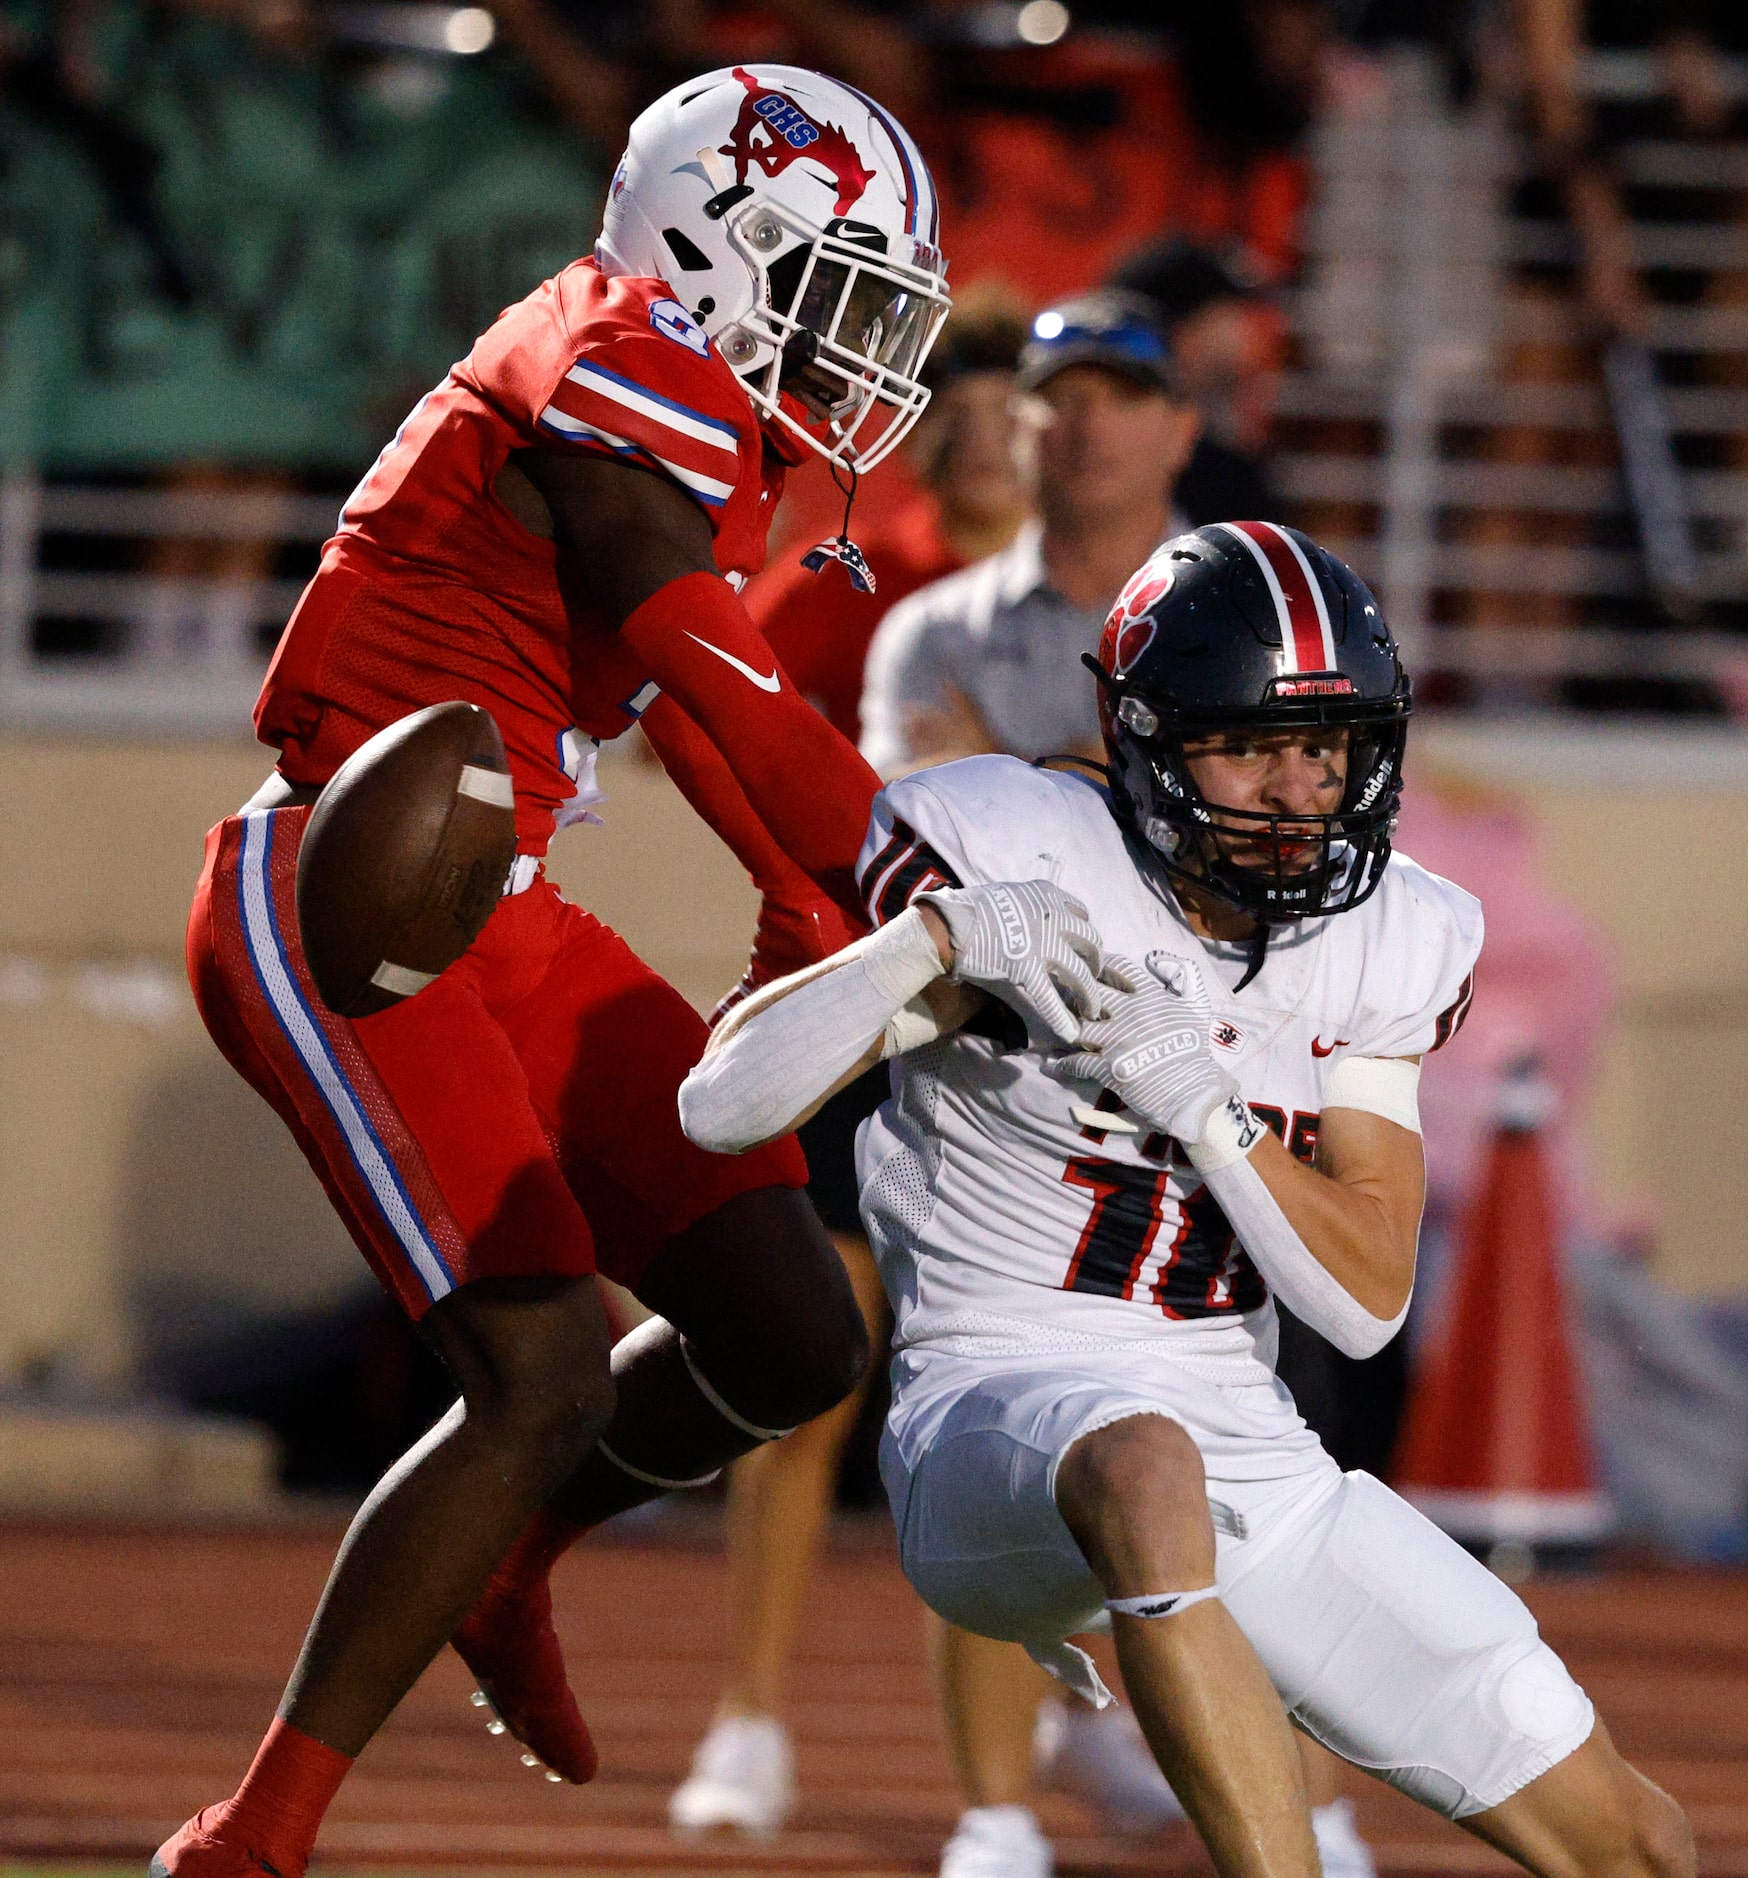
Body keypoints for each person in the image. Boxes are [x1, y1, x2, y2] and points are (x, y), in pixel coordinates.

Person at [161, 63, 951, 1878]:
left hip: (491, 894)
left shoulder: (693, 407)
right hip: (345, 892)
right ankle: (248, 1837)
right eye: (834, 291)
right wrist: (881, 856)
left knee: (789, 1329)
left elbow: (685, 704)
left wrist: (796, 893)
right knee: (541, 1376)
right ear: (725, 245)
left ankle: (508, 1544)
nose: (857, 351)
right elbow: (704, 656)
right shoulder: (614, 346)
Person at [677, 520, 1697, 1878]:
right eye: (1252, 744)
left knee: (1638, 1841)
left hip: (1246, 1448)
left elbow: (1364, 1297)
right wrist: (927, 943)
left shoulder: (1387, 934)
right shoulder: (1012, 844)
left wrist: (1205, 1108)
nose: (1296, 789)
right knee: (1142, 1461)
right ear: (1148, 741)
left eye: (1327, 747)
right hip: (988, 1413)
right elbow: (720, 1108)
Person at [667, 305, 1033, 1842]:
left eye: (1039, 410)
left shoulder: (1104, 599)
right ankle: (748, 1709)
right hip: (862, 998)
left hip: (1020, 1028)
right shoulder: (857, 571)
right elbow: (699, 703)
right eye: (989, 404)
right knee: (813, 1370)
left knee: (1008, 1394)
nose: (1012, 436)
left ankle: (1008, 1787)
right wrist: (826, 864)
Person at [858, 289, 1199, 778]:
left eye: (1126, 397)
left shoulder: (1256, 620)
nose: (1091, 426)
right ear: (1018, 426)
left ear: (1183, 430)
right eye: (1060, 399)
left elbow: (1244, 816)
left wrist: (991, 765)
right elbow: (906, 816)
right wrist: (1107, 772)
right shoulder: (933, 632)